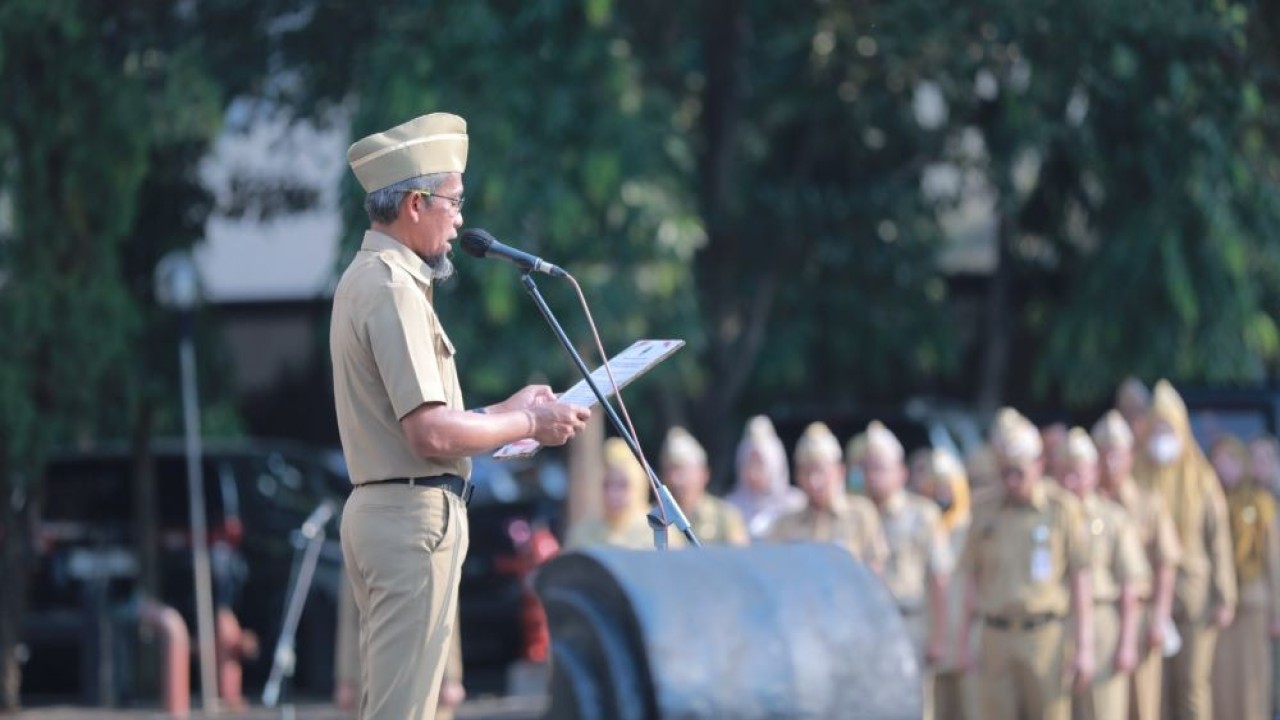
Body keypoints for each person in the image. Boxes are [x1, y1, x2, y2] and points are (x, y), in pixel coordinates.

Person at [331, 112, 592, 719]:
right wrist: (531, 425)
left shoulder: (377, 278)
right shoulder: (392, 287)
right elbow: (430, 432)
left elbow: (429, 420)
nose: (462, 220)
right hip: (409, 519)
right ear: (416, 204)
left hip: (399, 513)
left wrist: (506, 410)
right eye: (454, 201)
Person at [958, 408, 1093, 720]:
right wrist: (965, 642)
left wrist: (1084, 647)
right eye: (1005, 472)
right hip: (996, 634)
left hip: (1044, 636)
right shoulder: (985, 510)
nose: (1012, 480)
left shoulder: (1061, 508)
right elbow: (970, 578)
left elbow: (1080, 580)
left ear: (1039, 465)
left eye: (1019, 472)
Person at [1130, 381, 1234, 720]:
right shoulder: (1137, 475)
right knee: (1153, 688)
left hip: (1194, 596)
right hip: (1149, 594)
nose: (1162, 436)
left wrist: (1225, 597)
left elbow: (1218, 543)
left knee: (1192, 686)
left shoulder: (1202, 478)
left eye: (1168, 428)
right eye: (1156, 427)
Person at [1091, 409, 1181, 720]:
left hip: (1141, 614)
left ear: (1130, 455)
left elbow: (1165, 564)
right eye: (1103, 454)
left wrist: (1159, 617)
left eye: (1117, 454)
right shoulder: (1085, 507)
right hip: (1099, 613)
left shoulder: (1148, 501)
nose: (1110, 463)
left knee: (1143, 704)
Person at [860, 421, 951, 720]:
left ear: (901, 472)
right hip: (865, 627)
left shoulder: (922, 514)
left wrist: (939, 636)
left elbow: (939, 577)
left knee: (914, 707)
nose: (873, 476)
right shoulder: (854, 514)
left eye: (881, 468)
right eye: (868, 468)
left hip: (908, 621)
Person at [1058, 428, 1148, 720]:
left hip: (1101, 619)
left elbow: (1129, 585)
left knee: (1104, 708)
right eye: (1066, 473)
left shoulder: (1112, 517)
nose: (1072, 482)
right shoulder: (1048, 518)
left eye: (1079, 472)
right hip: (1057, 621)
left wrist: (1127, 642)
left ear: (1094, 472)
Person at [1209, 435, 1280, 720]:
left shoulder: (1261, 502)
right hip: (1224, 606)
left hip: (1254, 602)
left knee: (1254, 681)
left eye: (1230, 460)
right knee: (1225, 681)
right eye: (1219, 459)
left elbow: (1273, 561)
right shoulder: (1216, 500)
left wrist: (1277, 611)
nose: (1223, 466)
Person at [769, 422, 888, 572]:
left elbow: (874, 571)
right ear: (797, 476)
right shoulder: (785, 523)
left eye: (821, 472)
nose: (814, 481)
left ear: (839, 471)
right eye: (807, 472)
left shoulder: (861, 515)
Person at [920, 448, 979, 720]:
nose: (941, 494)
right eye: (936, 486)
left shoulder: (973, 528)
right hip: (933, 635)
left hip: (968, 637)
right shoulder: (923, 527)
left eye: (947, 486)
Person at [660, 426, 749, 547]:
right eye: (669, 471)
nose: (676, 480)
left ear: (704, 474)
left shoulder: (725, 517)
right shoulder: (654, 519)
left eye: (683, 471)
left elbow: (740, 560)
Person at [564, 437, 654, 550]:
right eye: (607, 485)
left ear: (639, 487)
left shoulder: (659, 532)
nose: (613, 494)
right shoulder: (582, 534)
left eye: (622, 485)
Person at [725, 415, 804, 540]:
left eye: (760, 464)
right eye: (749, 463)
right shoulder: (729, 508)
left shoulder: (796, 505)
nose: (753, 472)